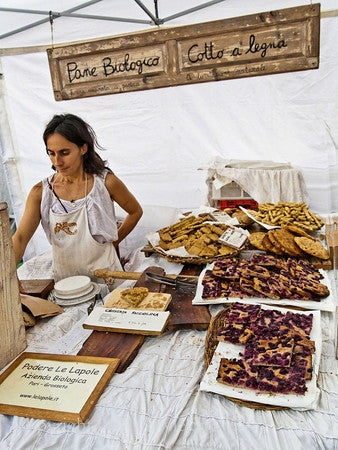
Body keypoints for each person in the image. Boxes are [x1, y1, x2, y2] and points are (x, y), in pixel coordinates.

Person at [13, 113, 143, 282]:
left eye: (64, 152)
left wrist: (112, 244)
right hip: (66, 281)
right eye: (51, 153)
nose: (57, 161)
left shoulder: (105, 183)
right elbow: (21, 238)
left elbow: (135, 211)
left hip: (108, 276)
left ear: (83, 148)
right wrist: (7, 273)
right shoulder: (41, 192)